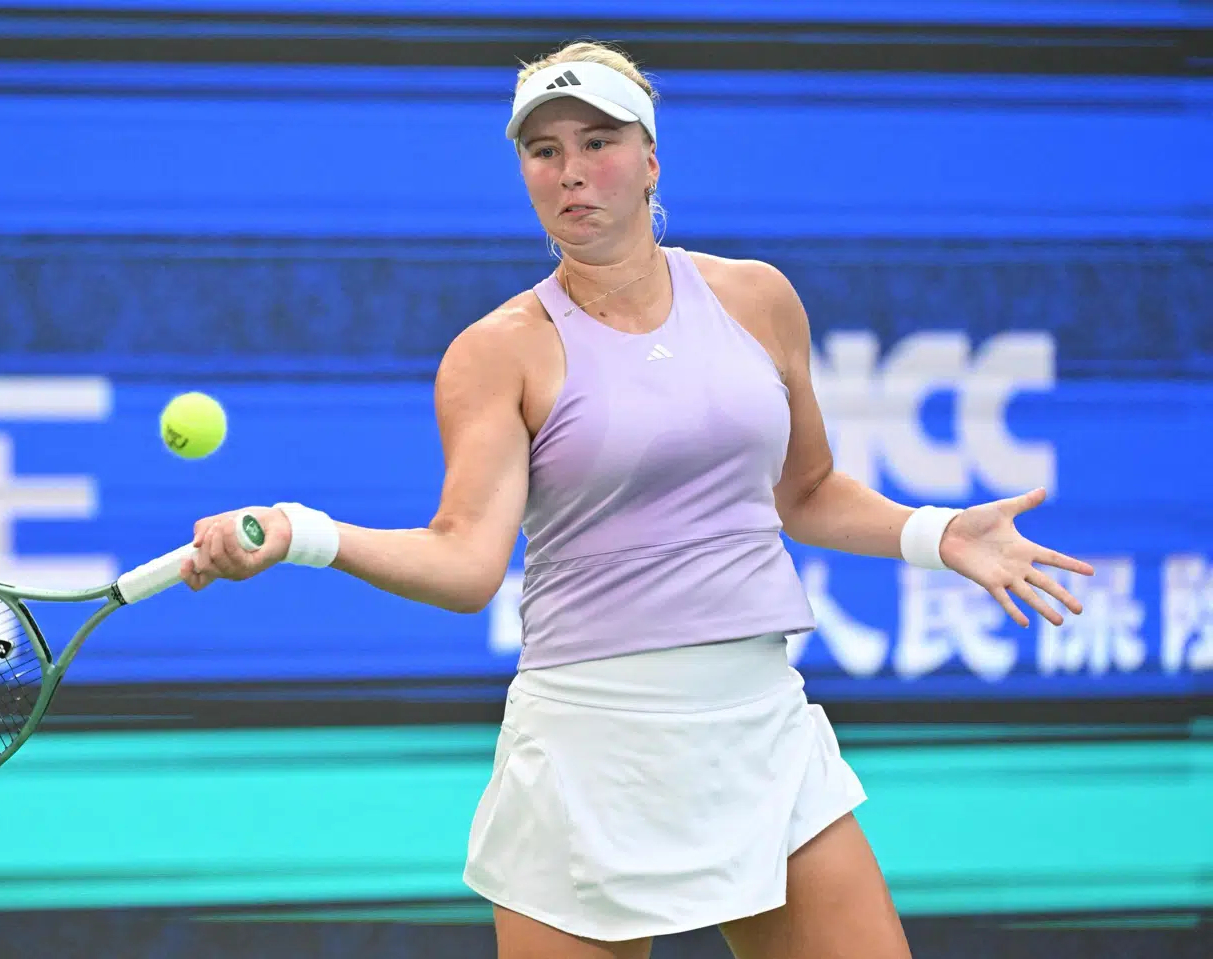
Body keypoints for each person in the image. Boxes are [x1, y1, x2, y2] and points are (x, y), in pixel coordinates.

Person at [178, 40, 1093, 959]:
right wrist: (304, 532)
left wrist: (937, 533)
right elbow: (463, 561)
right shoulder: (497, 352)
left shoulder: (757, 299)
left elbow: (806, 491)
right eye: (544, 152)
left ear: (651, 158)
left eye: (598, 141)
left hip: (759, 733)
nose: (572, 172)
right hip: (588, 753)